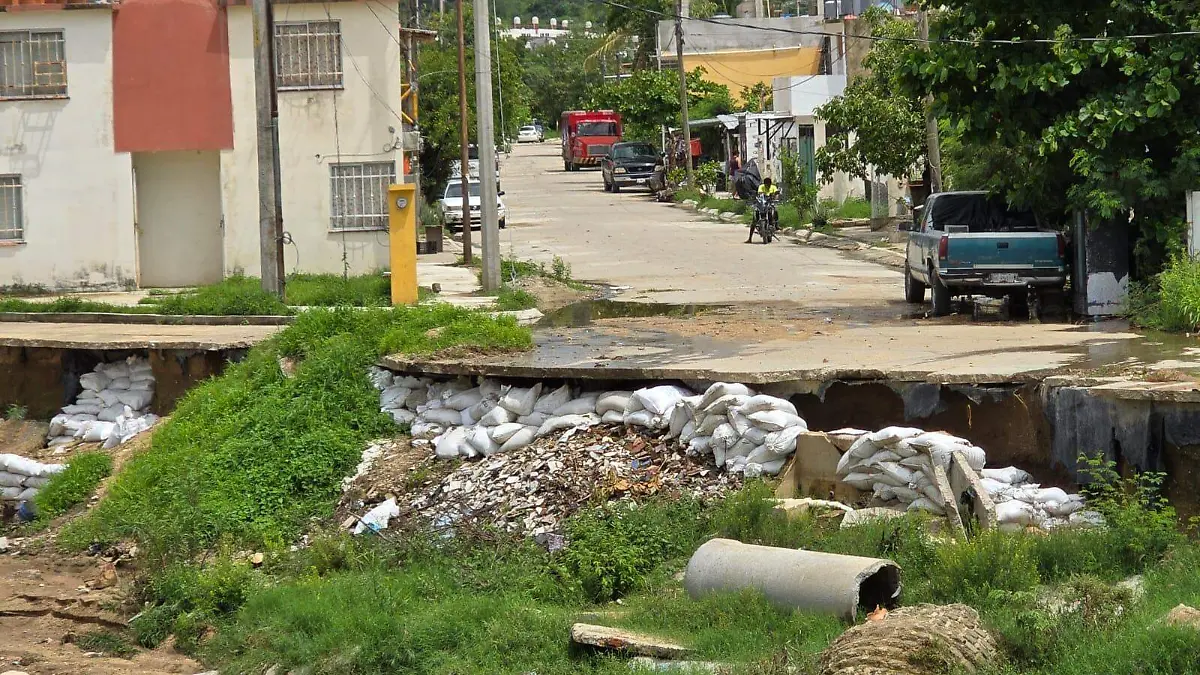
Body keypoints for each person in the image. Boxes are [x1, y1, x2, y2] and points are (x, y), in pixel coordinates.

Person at [749, 177, 780, 242]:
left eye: (769, 184)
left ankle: (776, 225)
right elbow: (760, 194)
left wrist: (775, 197)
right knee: (755, 216)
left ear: (770, 183)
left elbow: (776, 194)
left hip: (770, 203)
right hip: (762, 203)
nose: (767, 185)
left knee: (775, 210)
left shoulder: (773, 187)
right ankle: (750, 238)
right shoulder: (761, 187)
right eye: (766, 184)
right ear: (764, 183)